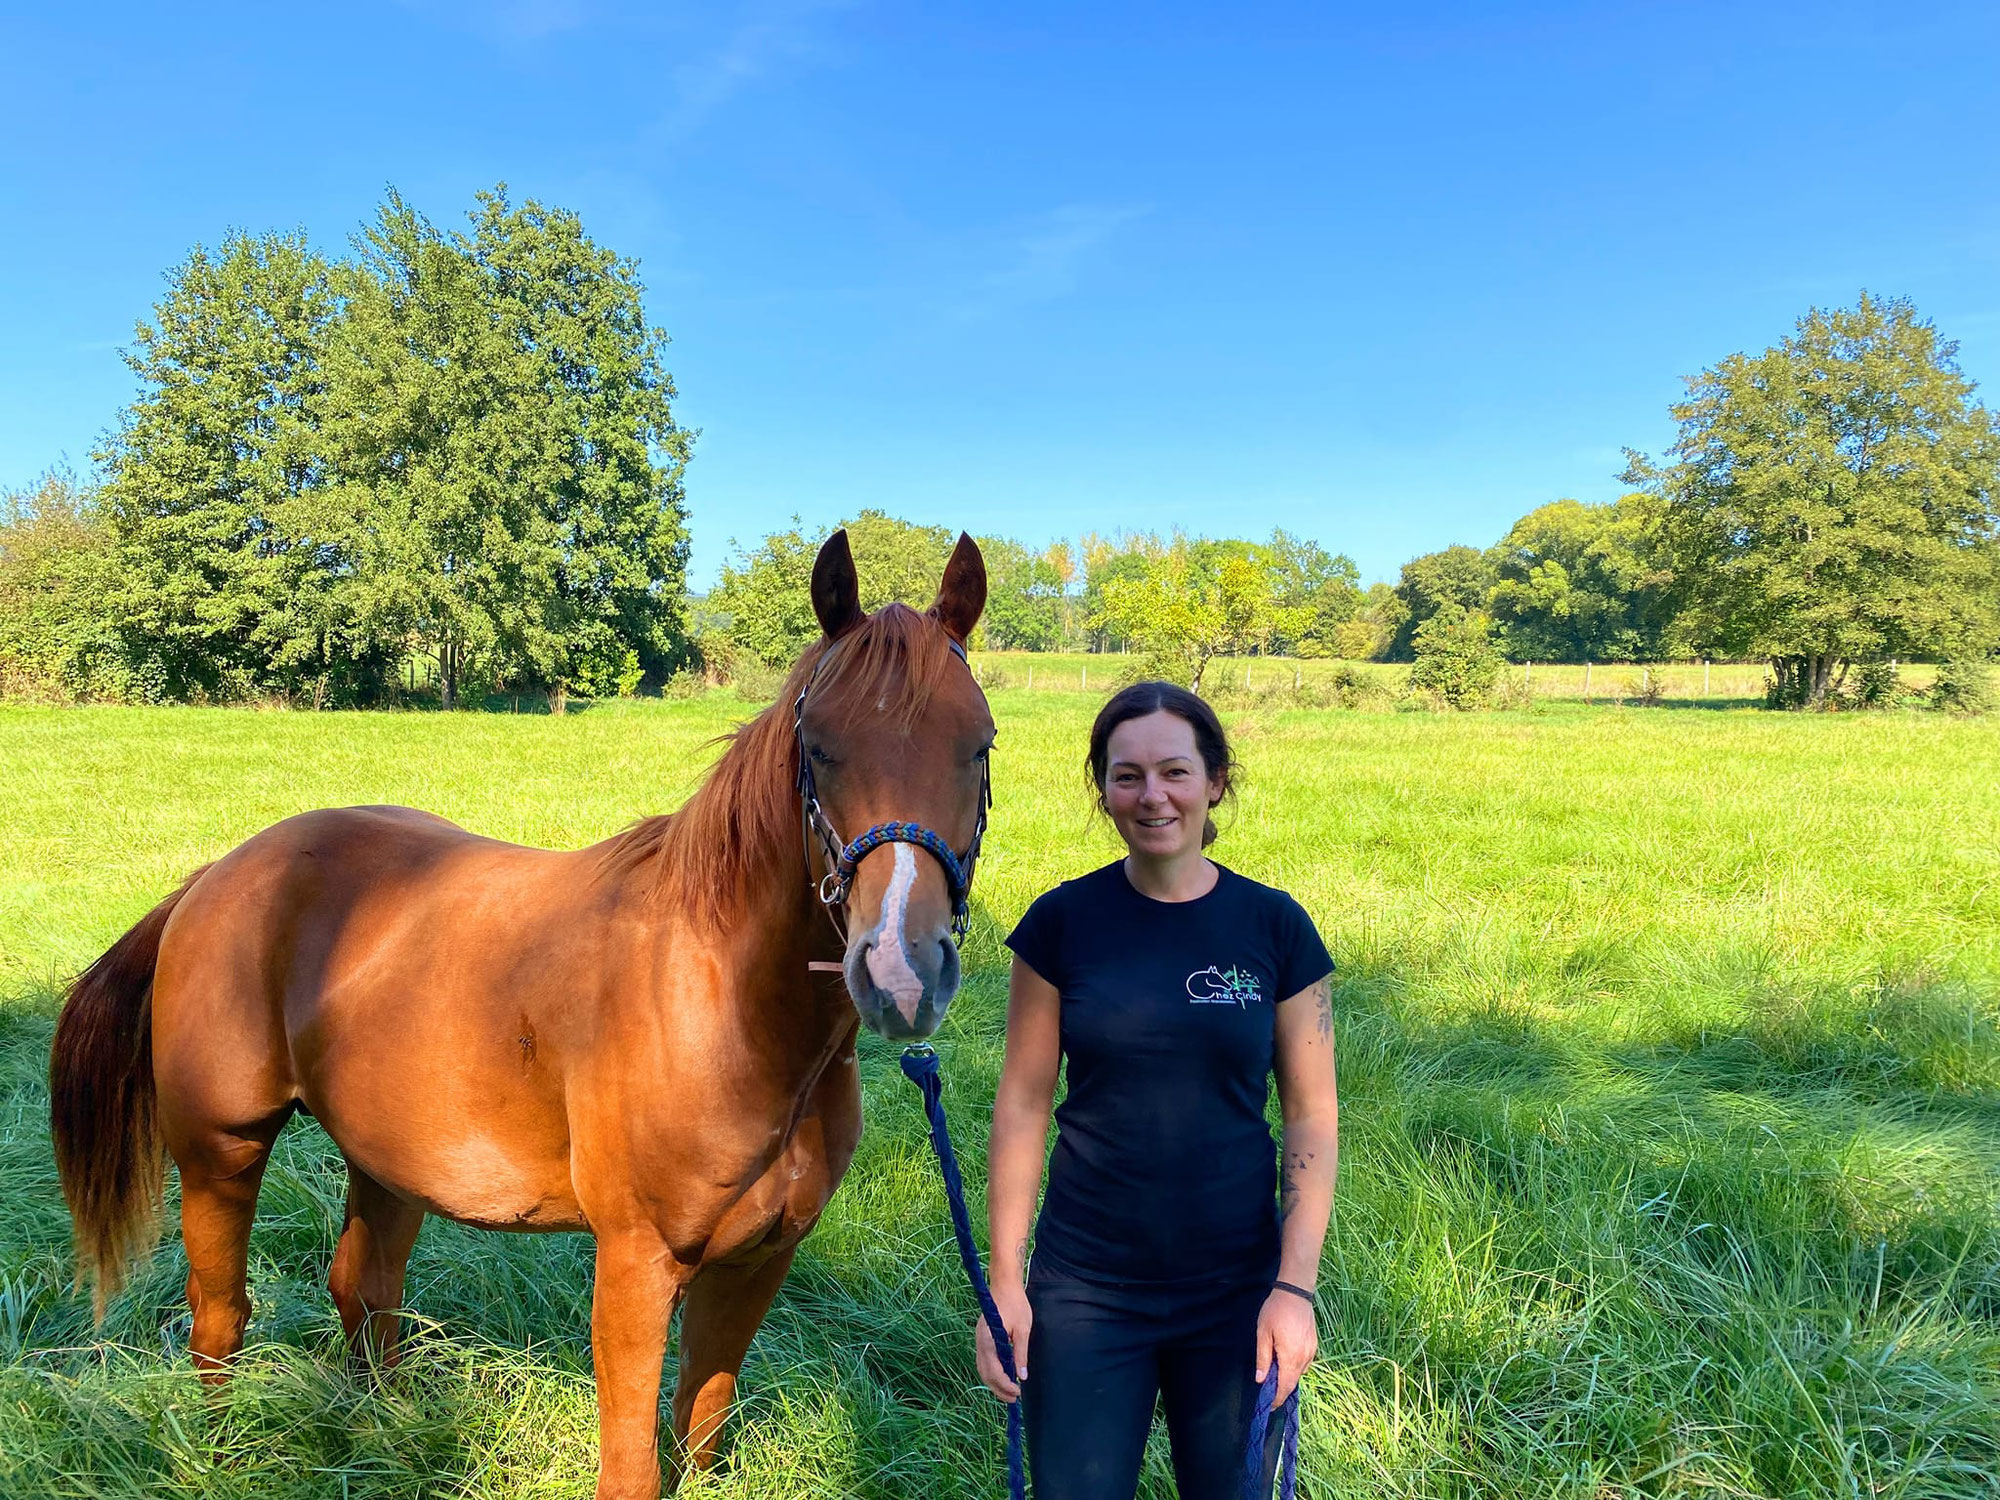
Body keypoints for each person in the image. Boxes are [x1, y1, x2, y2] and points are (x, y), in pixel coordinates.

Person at [976, 681, 1339, 1500]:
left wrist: (1294, 1288)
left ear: (1215, 782)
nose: (1152, 797)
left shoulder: (1277, 929)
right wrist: (1007, 1281)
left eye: (1174, 772)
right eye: (1126, 775)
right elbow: (1024, 1104)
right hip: (1086, 1290)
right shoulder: (1060, 925)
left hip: (1238, 1293)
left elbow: (1313, 1112)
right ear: (1101, 788)